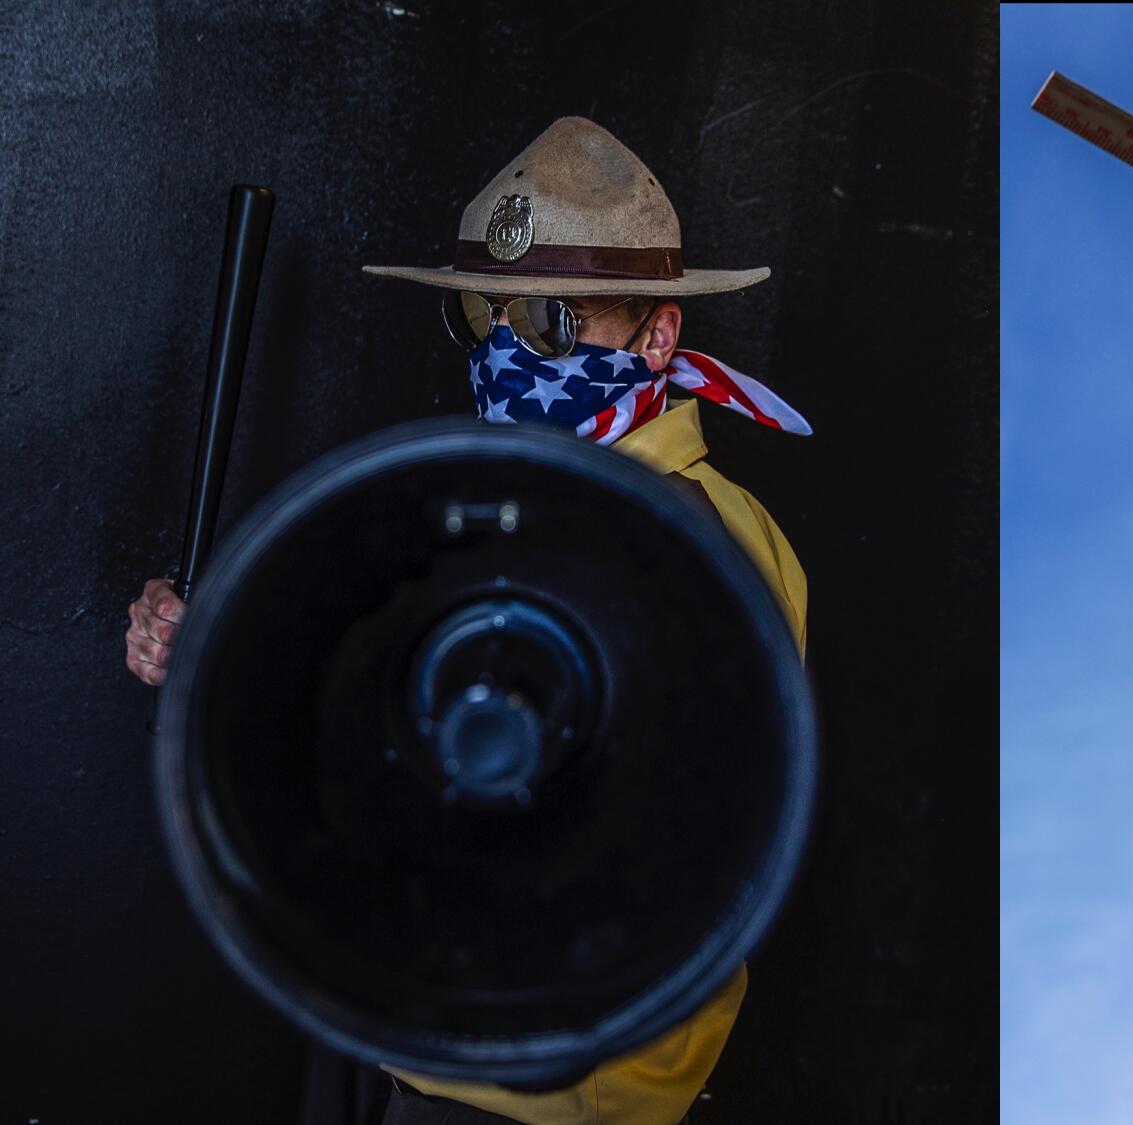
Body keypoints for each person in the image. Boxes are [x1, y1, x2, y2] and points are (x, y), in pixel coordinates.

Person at [123, 117, 811, 1124]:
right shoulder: (489, 503)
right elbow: (386, 733)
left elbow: (641, 835)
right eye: (481, 317)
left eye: (548, 323)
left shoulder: (705, 545)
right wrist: (222, 655)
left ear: (658, 335)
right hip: (401, 1046)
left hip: (554, 1103)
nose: (504, 352)